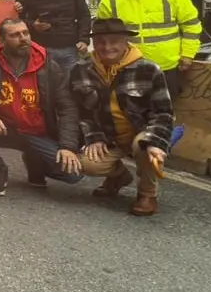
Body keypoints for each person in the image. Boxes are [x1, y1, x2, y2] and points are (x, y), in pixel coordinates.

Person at [0, 19, 82, 196]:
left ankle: (34, 161)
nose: (23, 38)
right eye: (15, 35)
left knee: (73, 175)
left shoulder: (48, 66)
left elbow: (67, 106)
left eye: (25, 33)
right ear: (1, 40)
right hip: (5, 127)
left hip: (37, 131)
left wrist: (68, 146)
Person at [70, 18, 175, 216]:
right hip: (109, 137)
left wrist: (155, 142)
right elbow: (82, 111)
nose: (107, 47)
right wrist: (94, 136)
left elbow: (163, 112)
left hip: (141, 132)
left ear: (126, 41)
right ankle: (118, 176)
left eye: (114, 41)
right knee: (86, 163)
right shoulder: (80, 70)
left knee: (144, 146)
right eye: (101, 41)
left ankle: (147, 194)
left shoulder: (149, 69)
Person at [96, 0, 202, 97]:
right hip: (127, 68)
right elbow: (103, 35)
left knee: (165, 111)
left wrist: (188, 54)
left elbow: (191, 25)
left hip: (166, 67)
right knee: (130, 113)